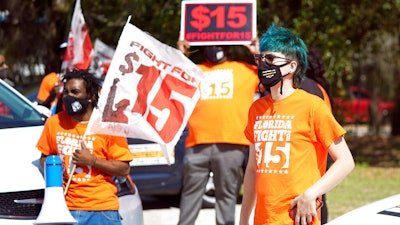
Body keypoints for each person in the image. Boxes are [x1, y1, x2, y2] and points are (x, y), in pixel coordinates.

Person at [239, 24, 354, 225]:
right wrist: (243, 220)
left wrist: (311, 194)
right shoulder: (256, 109)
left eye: (271, 59)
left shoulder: (312, 106)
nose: (264, 65)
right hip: (263, 219)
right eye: (261, 59)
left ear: (292, 66)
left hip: (298, 219)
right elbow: (251, 169)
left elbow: (346, 161)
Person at [176, 40, 260, 225]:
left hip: (231, 142)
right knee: (191, 194)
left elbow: (270, 77)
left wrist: (257, 53)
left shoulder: (245, 69)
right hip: (197, 142)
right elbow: (172, 81)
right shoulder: (194, 70)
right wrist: (181, 55)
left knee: (227, 195)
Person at [36, 69, 133, 225]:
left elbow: (124, 169)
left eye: (75, 92)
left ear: (91, 97)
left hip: (101, 210)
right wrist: (54, 178)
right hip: (65, 209)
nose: (69, 97)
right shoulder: (54, 123)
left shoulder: (108, 125)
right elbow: (44, 158)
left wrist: (92, 160)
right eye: (66, 92)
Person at [36, 42, 67, 113]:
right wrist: (51, 96)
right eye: (63, 53)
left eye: (68, 53)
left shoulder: (81, 79)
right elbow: (40, 108)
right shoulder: (49, 79)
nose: (65, 57)